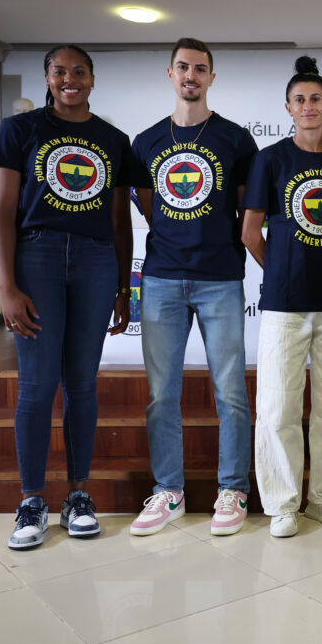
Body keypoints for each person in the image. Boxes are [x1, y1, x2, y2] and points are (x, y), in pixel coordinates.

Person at [0, 44, 133, 549]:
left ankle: (77, 496)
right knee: (37, 384)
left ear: (92, 79)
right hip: (37, 257)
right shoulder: (18, 130)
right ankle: (31, 502)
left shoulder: (113, 140)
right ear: (47, 78)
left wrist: (123, 287)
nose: (70, 79)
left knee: (82, 384)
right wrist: (6, 286)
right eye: (59, 71)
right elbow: (1, 214)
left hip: (96, 260)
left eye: (79, 71)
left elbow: (119, 220)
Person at [127, 38, 258, 537]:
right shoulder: (146, 142)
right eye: (183, 67)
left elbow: (245, 210)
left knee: (231, 392)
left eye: (200, 69)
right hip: (161, 278)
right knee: (162, 394)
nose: (191, 75)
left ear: (211, 77)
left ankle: (233, 489)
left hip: (220, 278)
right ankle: (169, 491)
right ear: (170, 73)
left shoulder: (235, 140)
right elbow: (149, 206)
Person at [242, 56, 322, 537]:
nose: (308, 106)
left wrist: (320, 260)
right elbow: (251, 233)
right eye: (299, 100)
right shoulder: (270, 159)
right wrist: (282, 269)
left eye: (315, 99)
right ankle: (282, 504)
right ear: (288, 108)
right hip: (283, 305)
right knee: (277, 408)